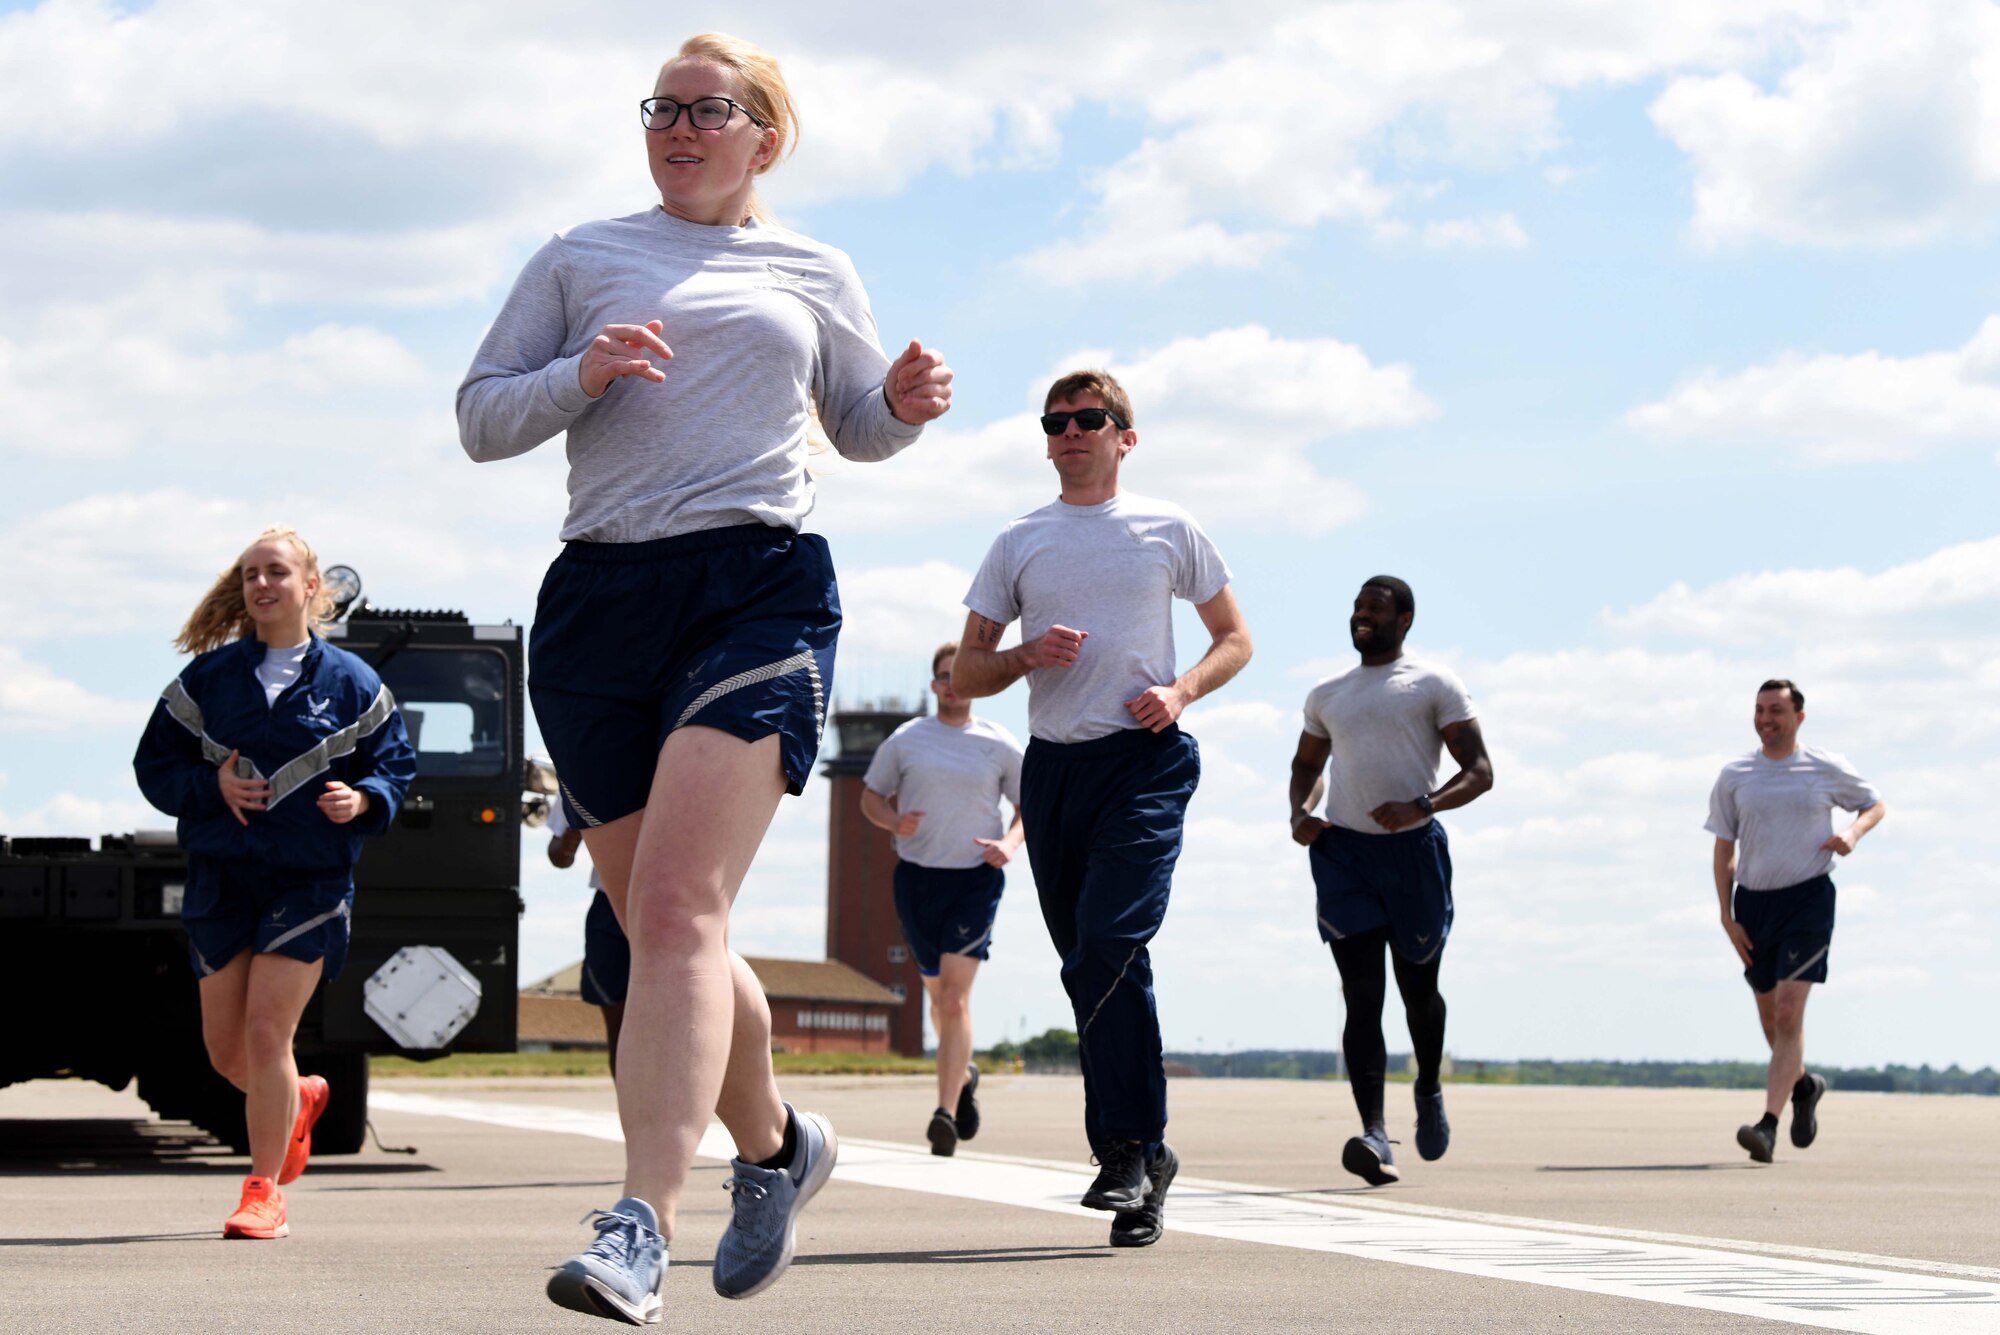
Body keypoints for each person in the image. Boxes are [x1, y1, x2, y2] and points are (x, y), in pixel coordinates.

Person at [457, 32, 951, 1322]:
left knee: (675, 908)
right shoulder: (580, 254)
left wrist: (898, 402)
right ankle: (778, 1148)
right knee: (664, 926)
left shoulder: (811, 266)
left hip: (756, 590)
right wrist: (584, 372)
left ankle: (638, 1227)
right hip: (600, 602)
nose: (676, 128)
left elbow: (855, 428)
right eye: (660, 109)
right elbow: (480, 416)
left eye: (705, 110)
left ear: (762, 135)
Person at [954, 369, 1251, 1250]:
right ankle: (1148, 1158)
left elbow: (1235, 637)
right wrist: (1024, 654)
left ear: (1125, 435)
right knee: (1090, 959)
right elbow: (967, 670)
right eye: (1056, 421)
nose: (1071, 432)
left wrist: (1183, 689)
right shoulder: (1019, 540)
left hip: (1145, 762)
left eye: (1090, 419)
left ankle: (1122, 1149)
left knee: (1113, 938)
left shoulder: (1169, 528)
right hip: (1055, 773)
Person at [133, 526, 415, 1240]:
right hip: (222, 877)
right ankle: (298, 1097)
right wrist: (209, 782)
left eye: (278, 572)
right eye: (252, 573)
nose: (263, 584)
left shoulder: (353, 682)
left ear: (310, 586)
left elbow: (396, 765)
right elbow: (153, 766)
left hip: (310, 878)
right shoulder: (208, 679)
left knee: (266, 1033)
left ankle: (263, 1192)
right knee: (229, 1053)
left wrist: (366, 799)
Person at [1287, 577, 1492, 1188]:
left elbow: (1479, 771)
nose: (1361, 616)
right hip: (1344, 855)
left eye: (1375, 608)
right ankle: (1375, 1134)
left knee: (1418, 991)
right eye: (1356, 607)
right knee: (1361, 997)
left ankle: (1427, 1086)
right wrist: (1301, 814)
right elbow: (1306, 766)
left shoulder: (1433, 684)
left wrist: (1423, 806)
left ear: (1405, 619)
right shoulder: (1328, 693)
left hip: (1413, 853)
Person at [1707, 679, 1884, 1163]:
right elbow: (1724, 848)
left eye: (1776, 711)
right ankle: (1804, 1085)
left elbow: (1875, 804)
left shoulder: (1823, 766)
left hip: (1808, 899)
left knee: (1788, 1013)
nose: (1766, 719)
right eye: (1759, 710)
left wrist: (1853, 832)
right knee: (1770, 1019)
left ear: (1798, 717)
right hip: (1754, 904)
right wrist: (1726, 915)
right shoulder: (1736, 775)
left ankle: (1766, 1127)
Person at [860, 641, 1025, 1156]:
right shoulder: (906, 740)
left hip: (975, 878)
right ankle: (964, 1073)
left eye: (961, 675)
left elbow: (1028, 807)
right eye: (944, 677)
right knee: (937, 999)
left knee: (954, 999)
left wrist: (1009, 843)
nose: (952, 685)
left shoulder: (998, 743)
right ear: (933, 685)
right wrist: (894, 820)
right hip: (917, 880)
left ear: (978, 682)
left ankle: (945, 1113)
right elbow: (869, 797)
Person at [546, 798, 631, 1075]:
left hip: (674, 901)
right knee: (620, 1028)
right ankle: (633, 1116)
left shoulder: (673, 756)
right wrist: (570, 839)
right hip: (612, 903)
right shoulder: (580, 761)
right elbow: (558, 855)